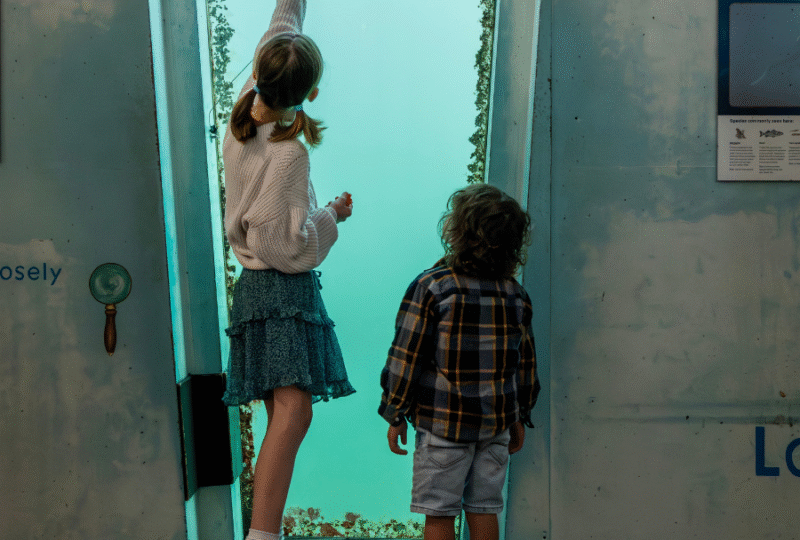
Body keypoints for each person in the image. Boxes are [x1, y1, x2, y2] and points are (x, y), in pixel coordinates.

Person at [221, 2, 355, 540]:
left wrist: (290, 7)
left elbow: (283, 29)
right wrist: (332, 217)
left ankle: (262, 533)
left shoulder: (243, 116)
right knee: (295, 410)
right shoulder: (289, 154)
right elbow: (283, 247)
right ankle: (262, 535)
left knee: (292, 409)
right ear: (311, 94)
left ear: (259, 71)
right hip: (279, 287)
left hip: (259, 290)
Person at [379, 183, 540, 540]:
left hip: (442, 428)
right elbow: (525, 365)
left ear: (456, 232)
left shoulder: (433, 287)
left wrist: (394, 410)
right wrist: (520, 415)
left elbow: (405, 357)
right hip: (495, 426)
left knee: (439, 515)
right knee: (484, 510)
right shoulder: (516, 295)